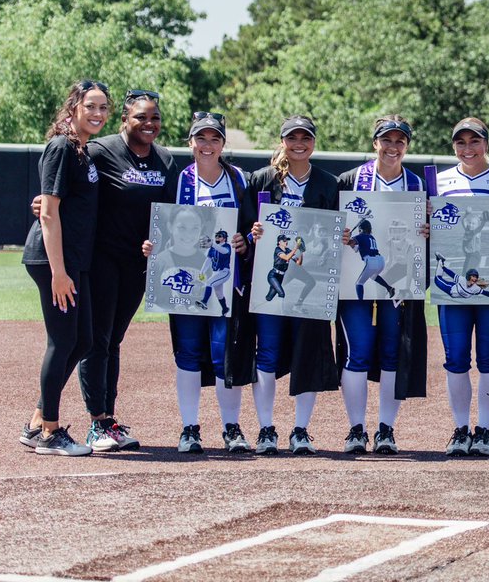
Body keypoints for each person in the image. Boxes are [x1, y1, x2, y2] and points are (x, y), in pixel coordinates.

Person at [30, 89, 177, 451]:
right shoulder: (94, 149)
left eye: (155, 117)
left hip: (135, 264)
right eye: (141, 116)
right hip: (97, 260)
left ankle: (73, 418)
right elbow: (55, 197)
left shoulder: (165, 160)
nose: (149, 123)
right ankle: (94, 422)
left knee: (108, 340)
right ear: (125, 118)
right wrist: (39, 207)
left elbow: (171, 215)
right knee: (92, 341)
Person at [143, 112, 255, 453]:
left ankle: (231, 428)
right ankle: (190, 428)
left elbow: (252, 228)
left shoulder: (238, 179)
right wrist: (153, 245)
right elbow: (161, 227)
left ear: (223, 143)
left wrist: (245, 243)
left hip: (225, 280)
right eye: (201, 138)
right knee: (188, 354)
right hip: (186, 283)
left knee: (225, 356)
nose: (207, 145)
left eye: (214, 139)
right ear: (190, 142)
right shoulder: (178, 180)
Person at [20, 80, 110, 456]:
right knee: (63, 342)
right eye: (91, 106)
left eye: (103, 108)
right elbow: (50, 213)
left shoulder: (82, 151)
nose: (98, 114)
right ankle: (50, 434)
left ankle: (37, 421)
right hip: (53, 261)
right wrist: (58, 271)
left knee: (84, 340)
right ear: (73, 106)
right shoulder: (60, 148)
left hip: (74, 262)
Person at [242, 115, 340, 455]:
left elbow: (335, 234)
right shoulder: (262, 180)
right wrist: (252, 234)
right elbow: (243, 229)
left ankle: (300, 430)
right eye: (292, 137)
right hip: (270, 274)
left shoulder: (328, 183)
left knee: (307, 351)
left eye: (306, 137)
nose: (299, 143)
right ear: (282, 140)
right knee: (266, 352)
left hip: (307, 278)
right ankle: (266, 429)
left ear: (314, 141)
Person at [335, 116, 427, 455]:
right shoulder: (350, 180)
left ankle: (386, 429)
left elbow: (428, 234)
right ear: (375, 142)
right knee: (357, 352)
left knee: (392, 353)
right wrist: (339, 235)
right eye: (386, 140)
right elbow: (331, 230)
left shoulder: (417, 184)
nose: (393, 146)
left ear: (407, 145)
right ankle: (356, 428)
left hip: (401, 278)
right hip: (352, 281)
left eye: (399, 140)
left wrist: (428, 232)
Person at [433, 118, 489, 457]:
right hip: (453, 280)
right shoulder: (439, 182)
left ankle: (485, 430)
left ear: (486, 144)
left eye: (475, 141)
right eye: (461, 142)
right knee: (455, 359)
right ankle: (461, 427)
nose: (468, 148)